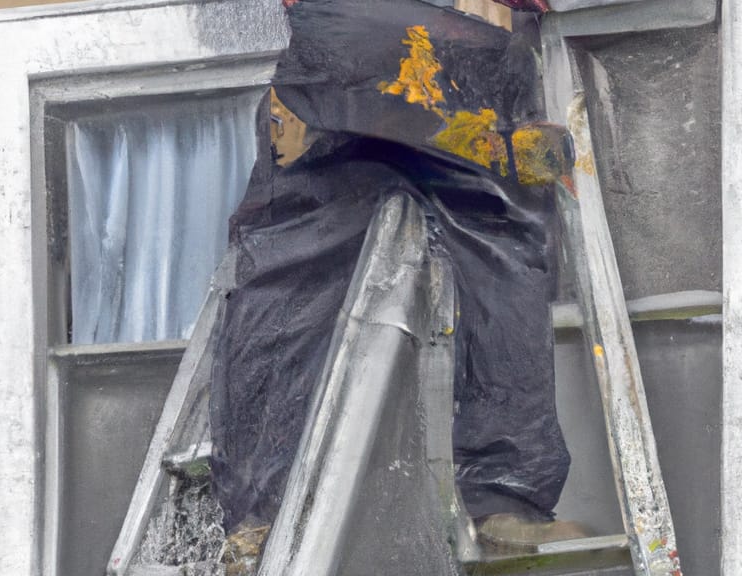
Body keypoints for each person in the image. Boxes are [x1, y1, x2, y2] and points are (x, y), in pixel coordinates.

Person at [209, 0, 584, 554]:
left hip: (424, 39)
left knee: (305, 251)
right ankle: (499, 495)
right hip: (422, 38)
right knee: (489, 241)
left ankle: (265, 509)